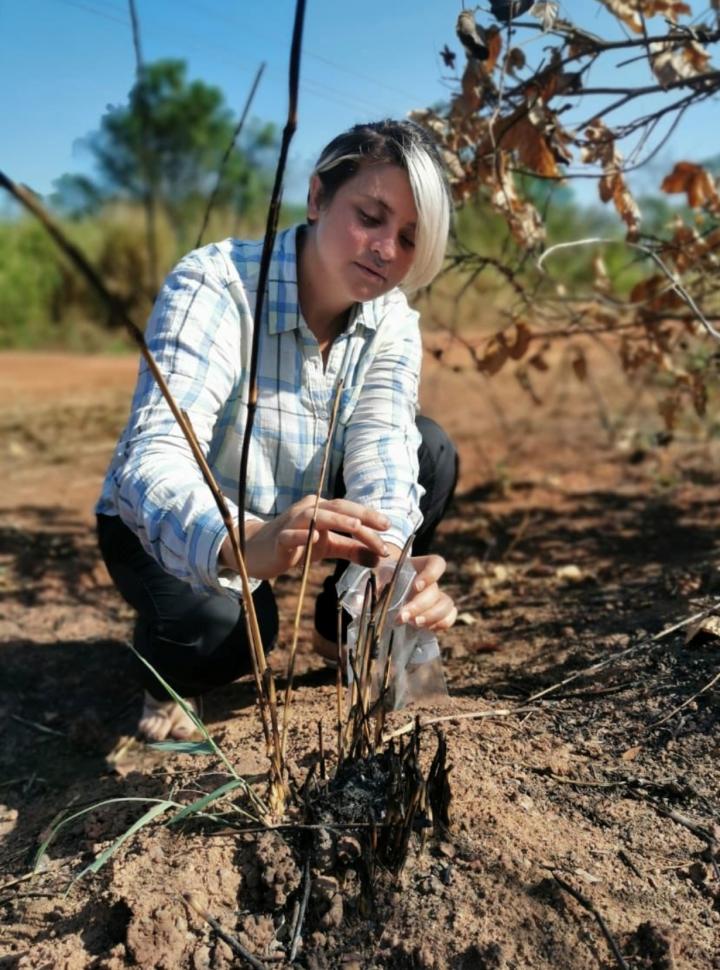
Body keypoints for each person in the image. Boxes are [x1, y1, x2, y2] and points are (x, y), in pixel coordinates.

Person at [96, 119, 459, 742]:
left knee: (429, 449)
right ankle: (170, 674)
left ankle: (337, 627)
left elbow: (385, 449)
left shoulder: (392, 320)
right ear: (317, 198)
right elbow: (152, 458)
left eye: (407, 238)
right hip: (187, 528)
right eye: (370, 216)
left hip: (301, 517)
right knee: (231, 633)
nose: (385, 250)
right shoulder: (217, 284)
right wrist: (246, 541)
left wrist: (391, 568)